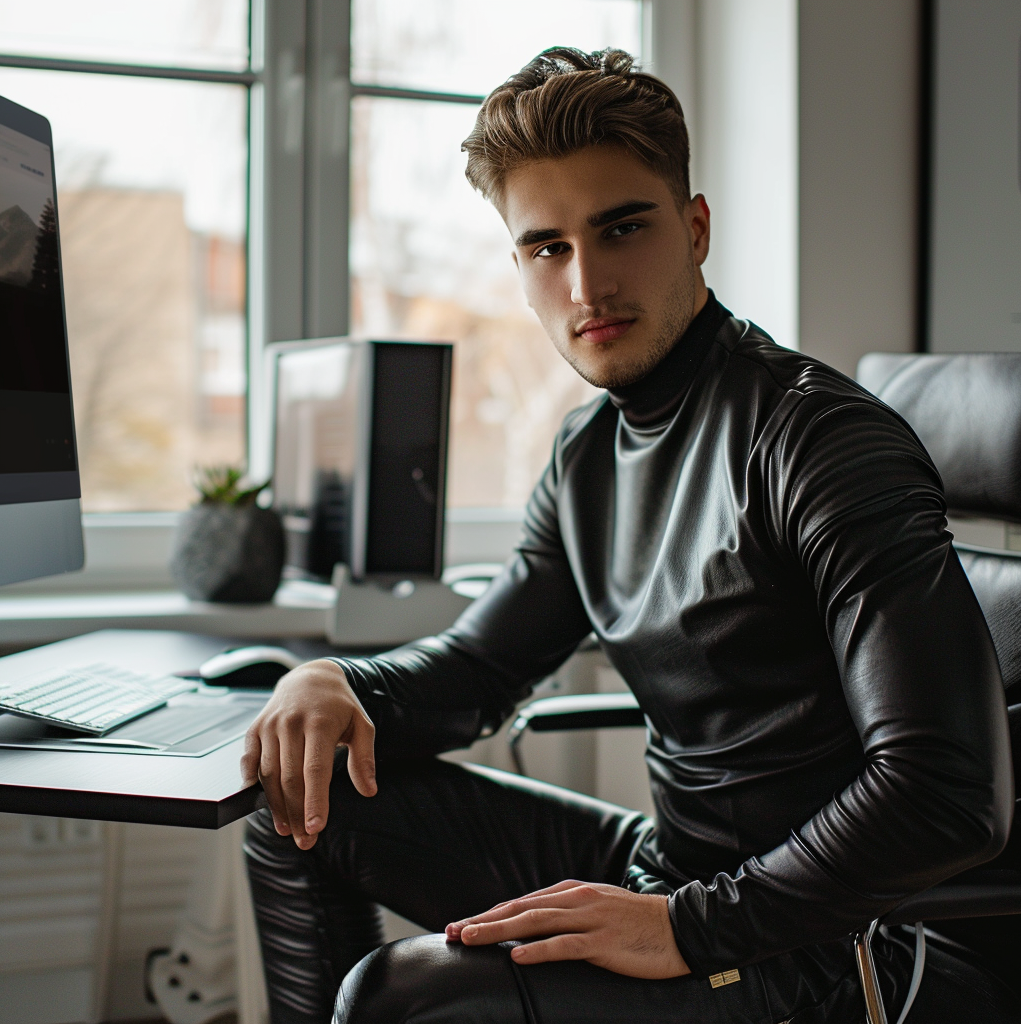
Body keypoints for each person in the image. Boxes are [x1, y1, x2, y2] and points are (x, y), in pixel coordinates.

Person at [242, 48, 1017, 1023]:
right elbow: (481, 668)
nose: (586, 283)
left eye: (620, 228)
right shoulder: (587, 456)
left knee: (404, 997)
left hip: (828, 937)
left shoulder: (818, 442)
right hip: (671, 872)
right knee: (297, 802)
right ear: (519, 267)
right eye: (546, 247)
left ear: (694, 228)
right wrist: (336, 684)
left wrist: (688, 929)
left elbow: (946, 793)